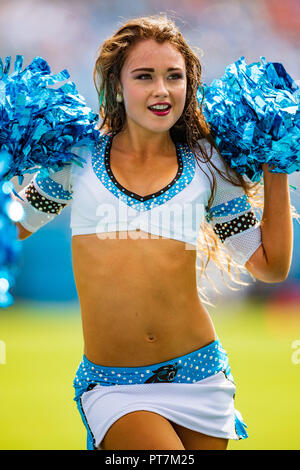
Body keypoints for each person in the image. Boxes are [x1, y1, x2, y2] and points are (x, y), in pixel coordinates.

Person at [13, 15, 294, 451]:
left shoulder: (207, 165)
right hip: (114, 386)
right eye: (144, 76)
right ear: (117, 85)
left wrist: (277, 161)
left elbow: (270, 266)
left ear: (188, 85)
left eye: (174, 77)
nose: (161, 90)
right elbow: (15, 227)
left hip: (200, 375)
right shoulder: (76, 158)